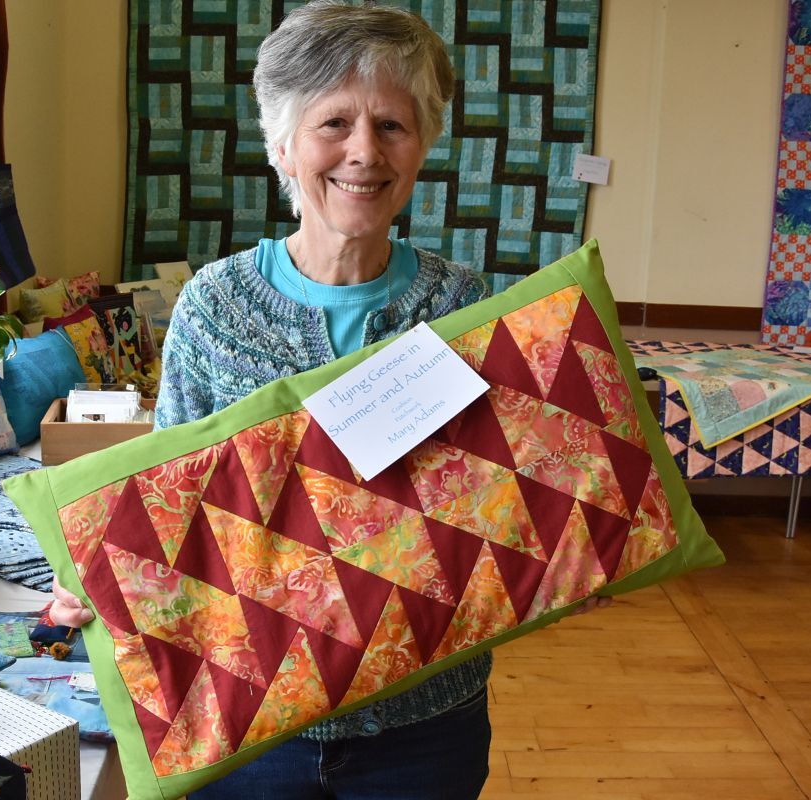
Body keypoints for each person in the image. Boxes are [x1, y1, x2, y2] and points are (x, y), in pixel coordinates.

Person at [51, 2, 609, 796]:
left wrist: (575, 543)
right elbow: (173, 508)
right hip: (253, 717)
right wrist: (99, 578)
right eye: (334, 123)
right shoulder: (215, 309)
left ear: (422, 148)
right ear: (282, 144)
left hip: (427, 721)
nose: (363, 152)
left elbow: (510, 499)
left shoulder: (464, 310)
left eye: (392, 125)